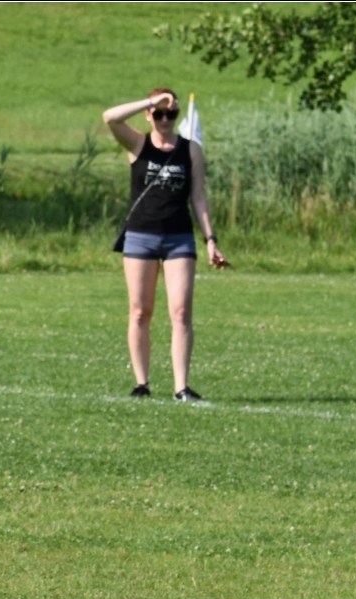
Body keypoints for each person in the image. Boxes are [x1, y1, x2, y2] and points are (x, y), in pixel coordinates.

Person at [103, 88, 228, 403]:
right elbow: (110, 117)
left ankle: (181, 387)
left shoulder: (191, 149)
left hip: (178, 237)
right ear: (149, 115)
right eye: (158, 113)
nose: (164, 119)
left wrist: (211, 240)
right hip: (140, 236)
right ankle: (141, 384)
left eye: (170, 113)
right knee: (140, 312)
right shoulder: (137, 144)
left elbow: (198, 197)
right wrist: (150, 101)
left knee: (181, 311)